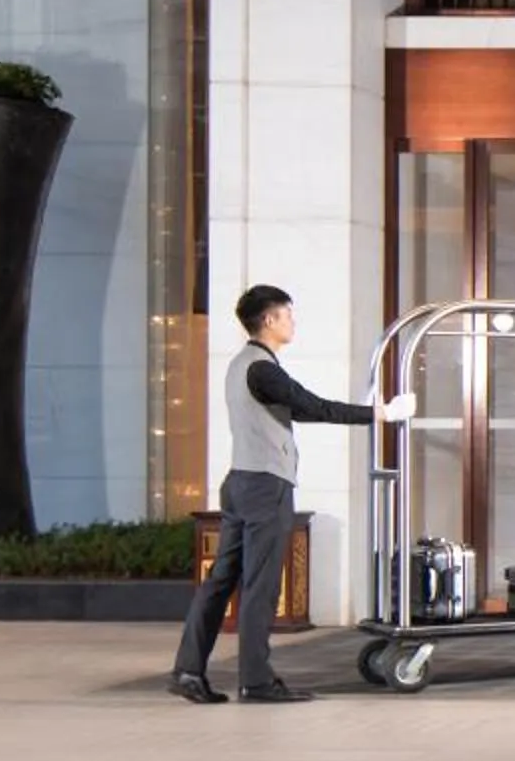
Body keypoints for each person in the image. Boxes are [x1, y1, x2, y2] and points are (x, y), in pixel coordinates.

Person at [170, 284, 414, 704]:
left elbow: (299, 409)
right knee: (261, 586)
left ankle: (188, 671)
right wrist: (382, 413)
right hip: (266, 486)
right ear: (269, 320)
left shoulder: (245, 365)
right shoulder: (262, 369)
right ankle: (256, 681)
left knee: (220, 582)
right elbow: (312, 405)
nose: (293, 321)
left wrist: (370, 411)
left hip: (240, 484)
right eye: (288, 315)